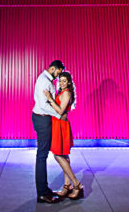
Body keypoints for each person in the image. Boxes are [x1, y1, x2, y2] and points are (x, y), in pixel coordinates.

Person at [45, 71, 84, 200]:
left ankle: (77, 184)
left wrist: (50, 99)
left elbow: (61, 111)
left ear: (68, 82)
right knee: (65, 157)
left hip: (61, 126)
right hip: (58, 124)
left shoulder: (66, 93)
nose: (61, 83)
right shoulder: (62, 92)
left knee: (58, 155)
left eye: (64, 81)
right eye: (60, 80)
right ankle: (67, 186)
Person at [32, 60, 66, 203]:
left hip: (43, 118)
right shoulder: (44, 81)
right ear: (53, 68)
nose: (58, 76)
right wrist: (59, 115)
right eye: (58, 72)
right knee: (42, 155)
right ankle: (42, 193)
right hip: (42, 119)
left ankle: (44, 190)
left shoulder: (45, 79)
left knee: (43, 154)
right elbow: (42, 105)